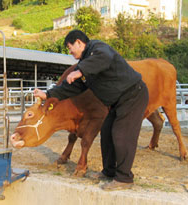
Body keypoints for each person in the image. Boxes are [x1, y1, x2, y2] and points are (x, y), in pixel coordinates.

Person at [34, 30, 149, 191]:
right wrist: (47, 94)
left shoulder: (98, 48)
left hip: (133, 95)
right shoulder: (86, 65)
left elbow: (105, 58)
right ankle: (109, 172)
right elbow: (71, 88)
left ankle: (124, 178)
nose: (70, 51)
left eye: (70, 47)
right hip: (117, 102)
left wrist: (80, 71)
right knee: (106, 133)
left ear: (79, 42)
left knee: (122, 135)